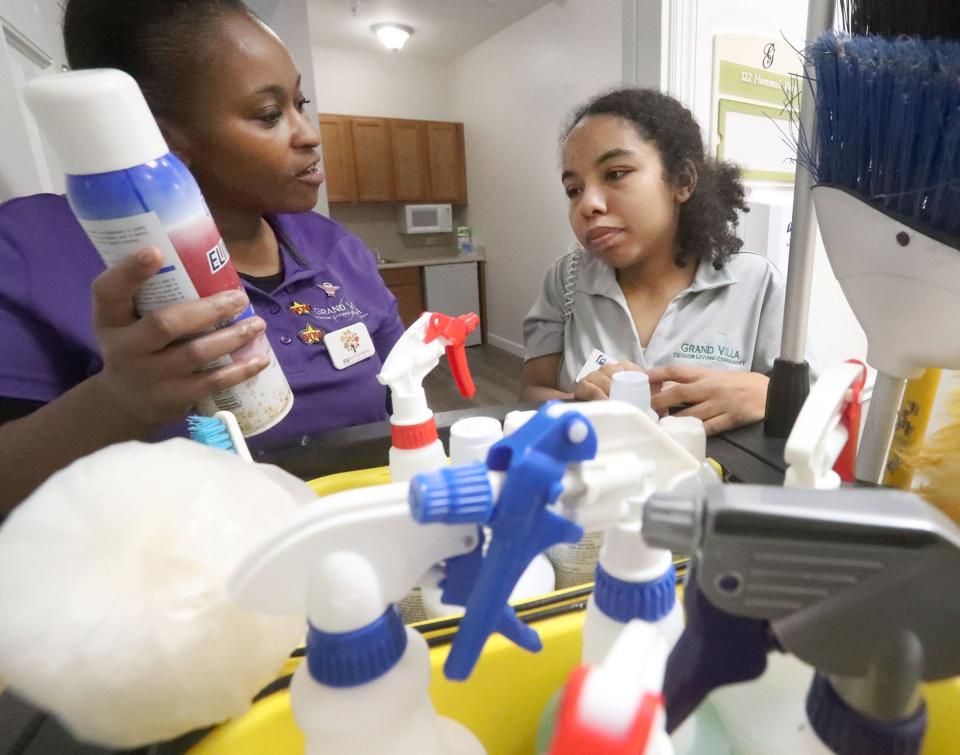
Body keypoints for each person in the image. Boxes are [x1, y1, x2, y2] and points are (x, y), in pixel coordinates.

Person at [0, 0, 405, 512]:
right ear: (162, 136)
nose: (308, 134)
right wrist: (117, 400)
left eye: (299, 104)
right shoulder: (33, 248)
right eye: (269, 114)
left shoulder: (335, 248)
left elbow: (405, 395)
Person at [521, 87, 785, 435]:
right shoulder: (566, 280)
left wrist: (768, 394)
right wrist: (577, 400)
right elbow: (530, 394)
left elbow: (817, 407)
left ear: (683, 181)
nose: (588, 205)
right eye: (574, 190)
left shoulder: (756, 283)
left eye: (615, 173)